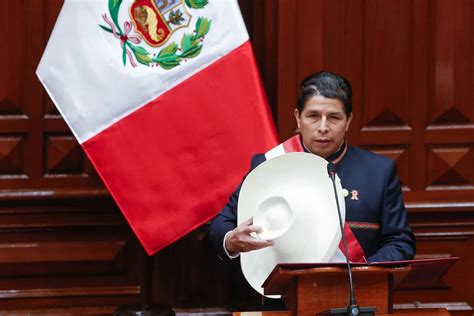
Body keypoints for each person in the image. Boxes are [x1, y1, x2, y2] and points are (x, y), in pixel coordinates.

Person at [209, 71, 415, 266]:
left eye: (334, 117)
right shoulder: (268, 165)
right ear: (298, 117)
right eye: (313, 116)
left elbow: (400, 243)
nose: (323, 127)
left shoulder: (378, 172)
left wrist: (362, 275)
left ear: (348, 121)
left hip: (355, 296)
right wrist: (231, 241)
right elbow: (220, 227)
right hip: (284, 296)